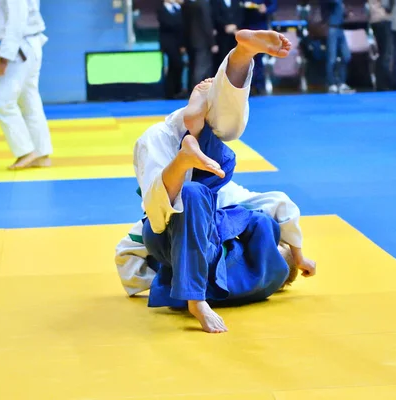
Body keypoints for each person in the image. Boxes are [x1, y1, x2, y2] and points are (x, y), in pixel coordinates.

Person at [116, 29, 316, 334]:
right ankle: (240, 59)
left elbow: (145, 231)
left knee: (192, 194)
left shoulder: (252, 272)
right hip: (190, 184)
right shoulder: (247, 230)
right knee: (226, 139)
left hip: (170, 222)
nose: (280, 247)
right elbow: (276, 204)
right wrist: (298, 254)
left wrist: (299, 257)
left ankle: (188, 146)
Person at [0, 0, 53, 170]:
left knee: (2, 102)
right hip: (29, 45)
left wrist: (3, 57)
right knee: (29, 101)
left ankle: (25, 151)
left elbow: (17, 21)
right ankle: (41, 153)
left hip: (19, 49)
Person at [241, 0, 277, 95]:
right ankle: (247, 86)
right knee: (246, 59)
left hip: (260, 28)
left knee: (259, 58)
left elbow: (273, 5)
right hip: (245, 27)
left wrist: (266, 9)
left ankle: (259, 86)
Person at [320, 0, 356, 94]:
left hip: (340, 28)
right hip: (332, 28)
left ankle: (341, 83)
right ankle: (332, 84)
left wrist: (346, 14)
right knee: (331, 58)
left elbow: (339, 12)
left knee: (346, 56)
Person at [158, 0, 185, 99]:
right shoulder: (161, 9)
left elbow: (182, 25)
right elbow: (167, 23)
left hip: (178, 43)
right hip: (168, 43)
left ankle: (177, 90)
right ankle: (170, 91)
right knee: (175, 64)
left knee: (177, 66)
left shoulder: (178, 8)